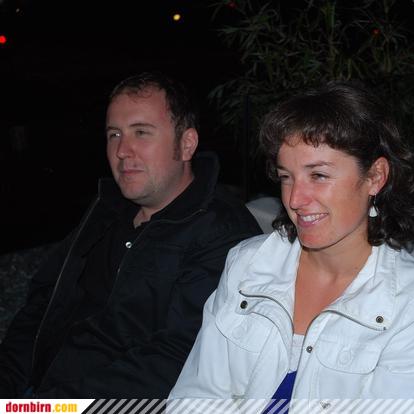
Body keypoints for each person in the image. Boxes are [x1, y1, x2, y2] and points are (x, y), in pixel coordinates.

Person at [169, 82, 414, 408]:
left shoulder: (413, 304)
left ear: (375, 176)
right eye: (286, 177)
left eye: (318, 176)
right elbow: (197, 396)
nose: (295, 199)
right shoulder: (248, 265)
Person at [0, 72, 261, 398]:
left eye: (141, 132)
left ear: (186, 144)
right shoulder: (108, 209)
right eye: (114, 134)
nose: (122, 150)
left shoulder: (222, 233)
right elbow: (44, 305)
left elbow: (176, 361)